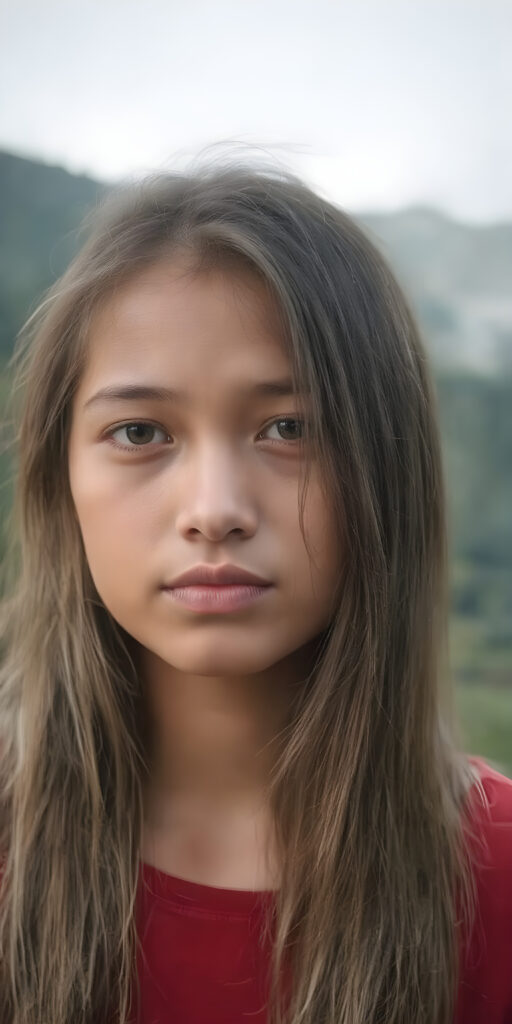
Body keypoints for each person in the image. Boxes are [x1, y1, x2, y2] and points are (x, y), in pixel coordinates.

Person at [0, 160, 511, 1024]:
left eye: (289, 429)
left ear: (390, 472)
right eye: (139, 432)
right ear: (60, 480)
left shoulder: (497, 876)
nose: (214, 512)